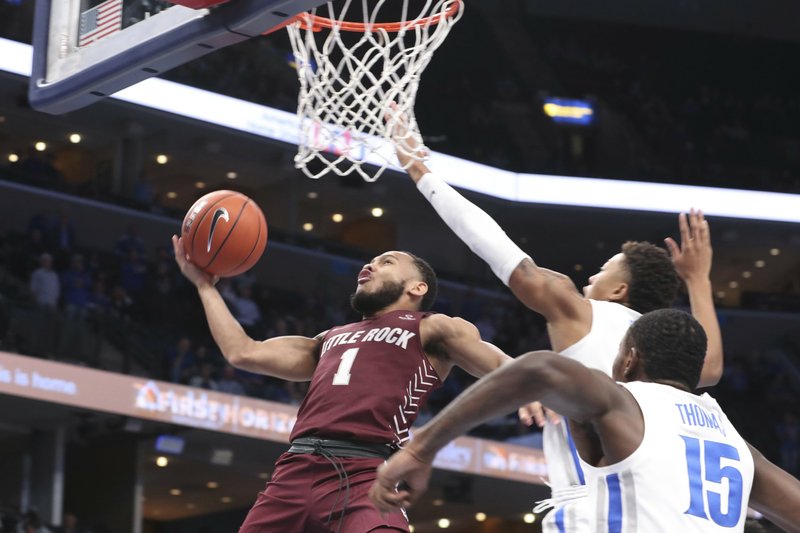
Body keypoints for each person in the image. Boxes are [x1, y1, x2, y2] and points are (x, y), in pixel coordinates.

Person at [391, 118, 724, 529]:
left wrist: (421, 171)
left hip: (594, 504)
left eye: (602, 270)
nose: (589, 279)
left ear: (619, 289)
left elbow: (500, 251)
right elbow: (709, 368)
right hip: (658, 507)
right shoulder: (669, 350)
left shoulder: (583, 313)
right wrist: (698, 280)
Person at [172, 236, 511, 533]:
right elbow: (243, 352)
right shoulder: (328, 338)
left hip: (367, 473)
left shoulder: (433, 327)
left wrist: (532, 388)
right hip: (294, 469)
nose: (370, 265)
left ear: (417, 288)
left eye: (386, 262)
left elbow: (499, 365)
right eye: (370, 261)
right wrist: (205, 286)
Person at [370, 309, 800, 532]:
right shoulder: (735, 443)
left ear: (629, 358)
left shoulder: (628, 401)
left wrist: (420, 447)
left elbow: (541, 368)